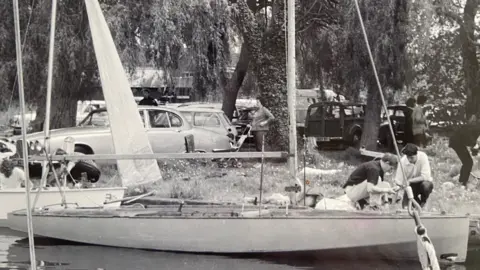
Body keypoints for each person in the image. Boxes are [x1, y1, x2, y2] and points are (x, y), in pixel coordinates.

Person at [393, 143, 433, 208]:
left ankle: (424, 202)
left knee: (426, 186)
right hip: (410, 187)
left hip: (423, 183)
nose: (409, 160)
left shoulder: (423, 157)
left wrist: (410, 180)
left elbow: (425, 176)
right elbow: (398, 183)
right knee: (405, 207)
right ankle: (417, 204)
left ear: (416, 154)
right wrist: (393, 204)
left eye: (412, 158)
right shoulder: (402, 162)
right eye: (408, 157)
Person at [449, 114, 480, 187]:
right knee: (468, 162)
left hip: (458, 141)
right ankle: (462, 183)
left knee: (468, 162)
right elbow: (469, 137)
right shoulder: (476, 127)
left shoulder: (475, 126)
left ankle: (462, 181)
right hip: (457, 142)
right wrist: (474, 145)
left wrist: (475, 148)